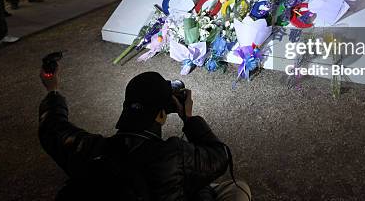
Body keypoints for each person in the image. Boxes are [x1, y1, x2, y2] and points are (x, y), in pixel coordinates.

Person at [39, 69, 251, 201]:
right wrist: (188, 118)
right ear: (161, 114)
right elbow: (220, 156)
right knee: (238, 188)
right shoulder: (174, 155)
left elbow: (52, 126)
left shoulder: (88, 148)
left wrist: (52, 90)